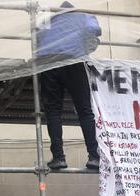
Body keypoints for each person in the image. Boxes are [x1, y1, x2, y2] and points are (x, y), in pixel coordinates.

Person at [36, 1, 101, 169]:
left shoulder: (47, 21)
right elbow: (94, 31)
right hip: (74, 61)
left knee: (53, 111)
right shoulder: (83, 17)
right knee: (84, 110)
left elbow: (37, 39)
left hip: (50, 63)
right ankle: (94, 156)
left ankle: (59, 157)